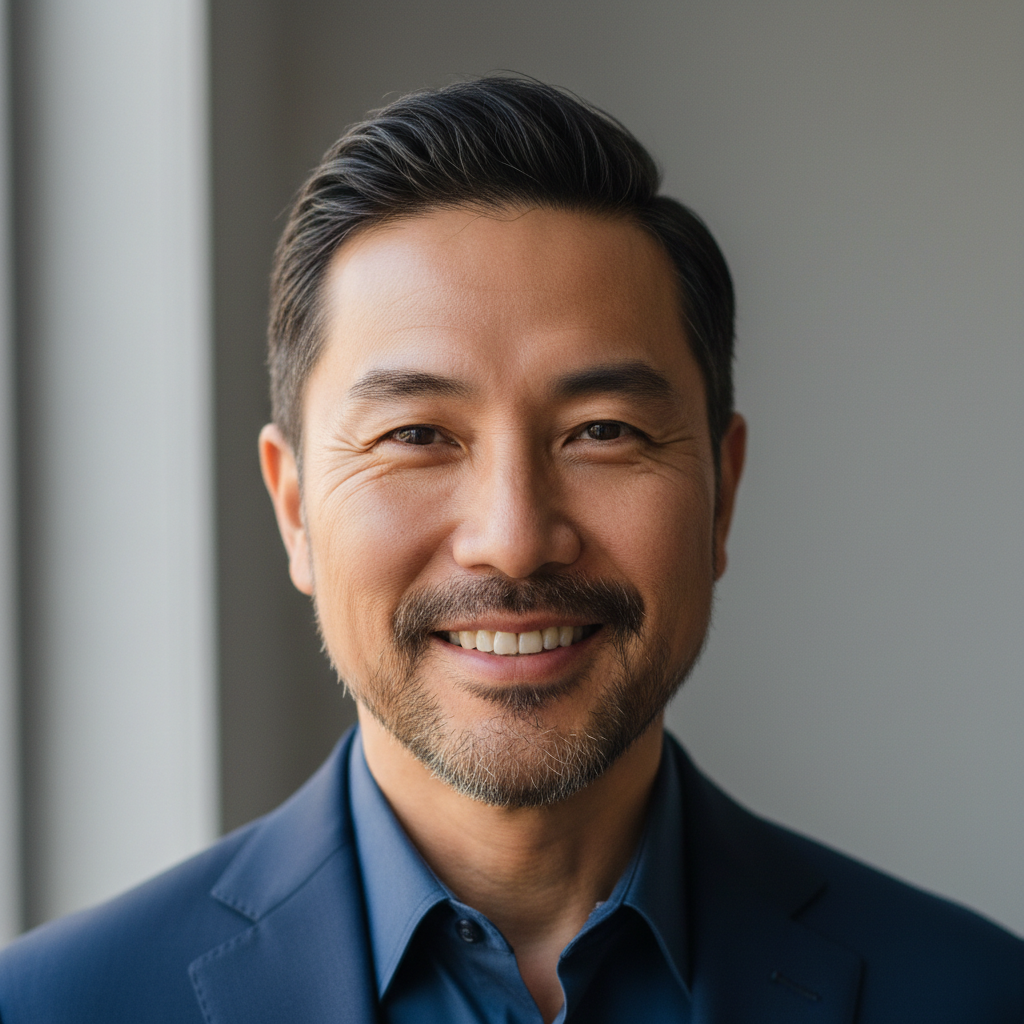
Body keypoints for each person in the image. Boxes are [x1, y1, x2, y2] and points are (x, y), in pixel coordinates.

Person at [0, 76, 1021, 1024]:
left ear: (722, 492)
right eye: (415, 436)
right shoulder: (54, 1006)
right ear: (295, 507)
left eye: (602, 431)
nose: (513, 538)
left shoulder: (974, 994)